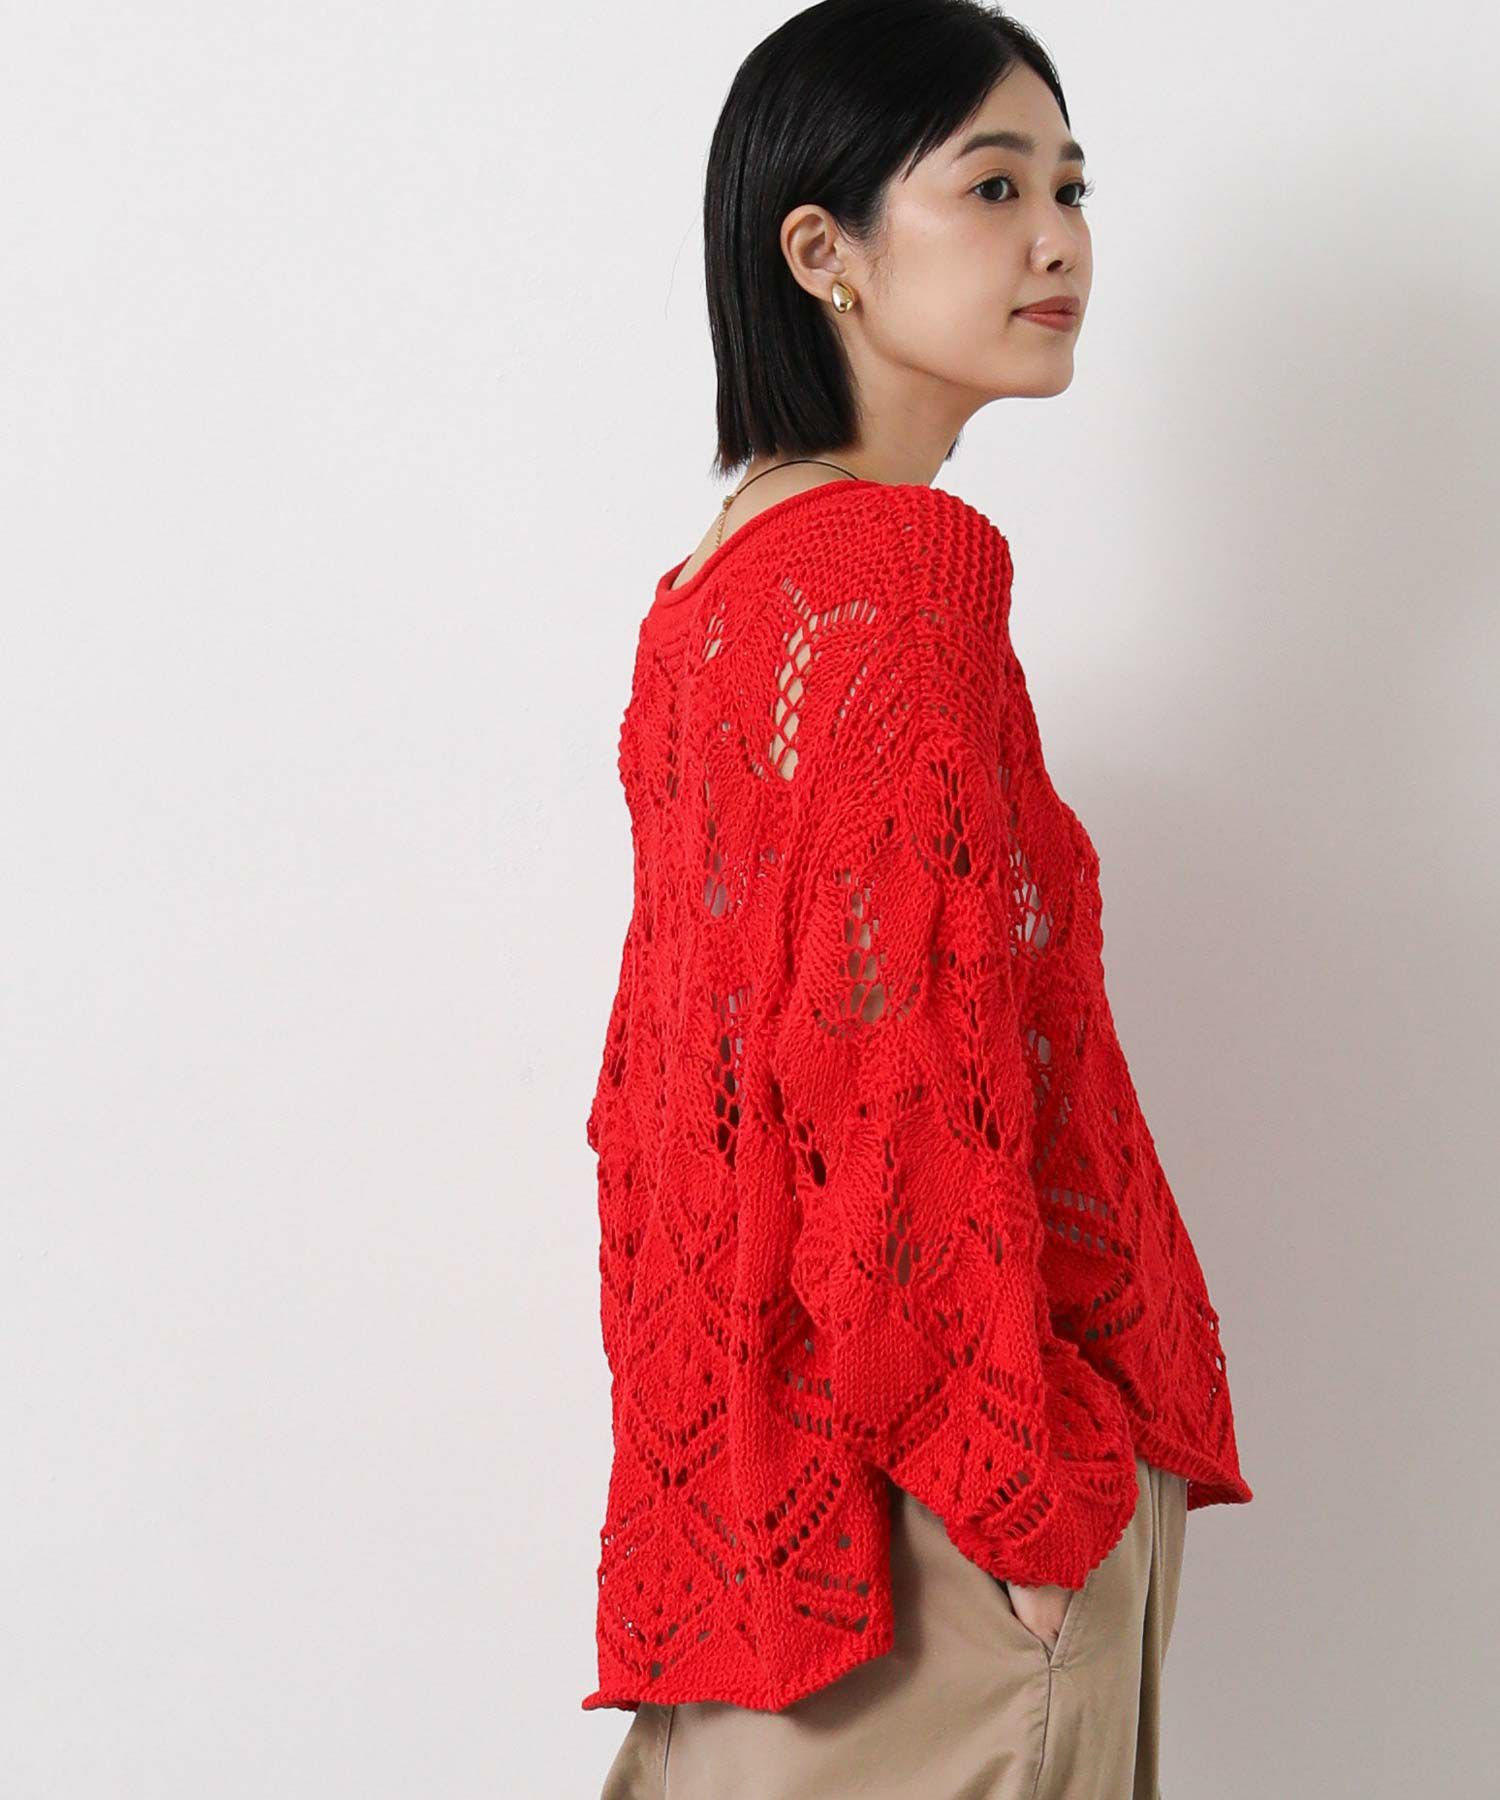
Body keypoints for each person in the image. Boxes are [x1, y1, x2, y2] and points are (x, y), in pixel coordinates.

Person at [585, 4, 1252, 1795]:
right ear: (822, 252)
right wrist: (1034, 1504)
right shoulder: (897, 576)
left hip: (778, 1526)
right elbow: (892, 1098)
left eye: (1073, 188)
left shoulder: (710, 597)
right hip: (949, 1530)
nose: (1059, 240)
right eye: (993, 186)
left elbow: (673, 1113)